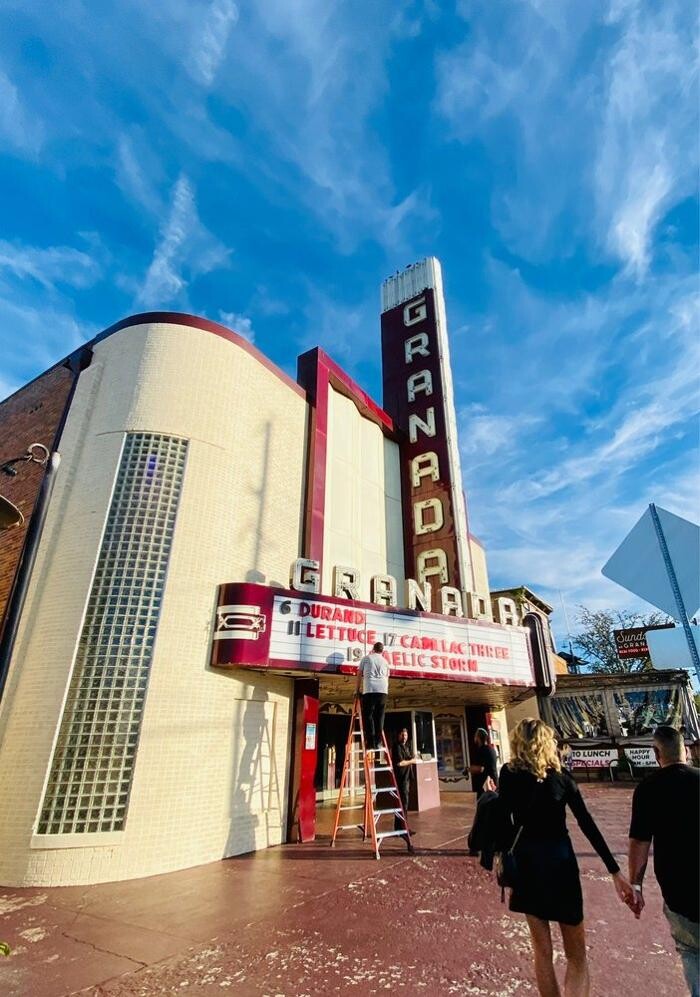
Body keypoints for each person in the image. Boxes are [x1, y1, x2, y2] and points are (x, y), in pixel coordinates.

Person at [496, 718, 633, 997]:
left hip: (526, 865)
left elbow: (503, 823)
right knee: (576, 955)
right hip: (560, 864)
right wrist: (614, 870)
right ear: (548, 743)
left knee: (542, 952)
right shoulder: (562, 779)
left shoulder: (508, 774)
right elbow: (587, 824)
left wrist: (499, 855)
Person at [627, 725, 699, 996]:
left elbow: (639, 844)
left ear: (656, 753)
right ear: (686, 750)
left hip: (680, 894)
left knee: (692, 952)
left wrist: (636, 886)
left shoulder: (648, 789)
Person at [355, 641, 389, 750]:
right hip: (383, 690)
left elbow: (359, 674)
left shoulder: (366, 658)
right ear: (382, 651)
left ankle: (370, 743)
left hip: (370, 689)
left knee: (368, 716)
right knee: (380, 717)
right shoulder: (385, 661)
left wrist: (357, 690)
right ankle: (378, 742)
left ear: (373, 649)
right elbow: (387, 677)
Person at [391, 727, 418, 834]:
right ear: (398, 735)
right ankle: (403, 828)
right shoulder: (397, 747)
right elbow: (400, 763)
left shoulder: (407, 746)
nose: (404, 737)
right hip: (400, 778)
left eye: (406, 735)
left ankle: (401, 827)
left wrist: (414, 758)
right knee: (403, 803)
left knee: (404, 804)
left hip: (407, 778)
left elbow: (411, 758)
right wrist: (412, 760)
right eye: (402, 735)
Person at [467, 728, 499, 799]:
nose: (474, 738)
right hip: (493, 781)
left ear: (478, 738)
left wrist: (470, 769)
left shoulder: (482, 750)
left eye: (475, 736)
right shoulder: (492, 749)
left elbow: (481, 768)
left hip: (485, 784)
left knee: (484, 804)